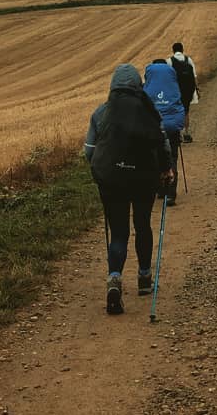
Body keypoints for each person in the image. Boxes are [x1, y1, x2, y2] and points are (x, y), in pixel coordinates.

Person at [84, 64, 174, 315]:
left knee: (119, 232)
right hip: (143, 180)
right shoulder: (149, 111)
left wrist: (100, 172)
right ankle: (145, 278)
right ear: (138, 86)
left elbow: (89, 152)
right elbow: (163, 144)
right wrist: (167, 170)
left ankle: (114, 279)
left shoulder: (101, 113)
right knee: (143, 225)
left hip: (112, 181)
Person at [142, 57, 188, 205]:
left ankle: (160, 189)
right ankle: (171, 194)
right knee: (172, 157)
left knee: (154, 157)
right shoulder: (173, 83)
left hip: (153, 128)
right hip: (172, 127)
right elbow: (180, 104)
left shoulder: (147, 86)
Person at [170, 41, 199, 142]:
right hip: (187, 91)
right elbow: (194, 77)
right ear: (182, 50)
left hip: (175, 91)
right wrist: (196, 90)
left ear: (173, 51)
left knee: (175, 112)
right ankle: (186, 134)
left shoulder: (170, 61)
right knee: (186, 112)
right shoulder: (188, 60)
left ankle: (177, 135)